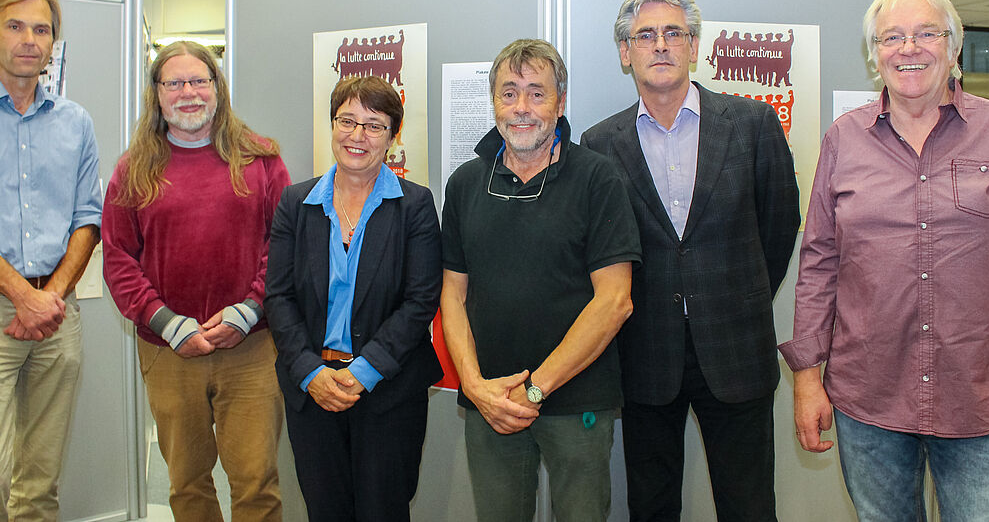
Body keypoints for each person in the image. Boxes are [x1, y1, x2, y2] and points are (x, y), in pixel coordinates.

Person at [581, 0, 800, 522]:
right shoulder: (600, 144)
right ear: (625, 51)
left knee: (749, 508)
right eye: (644, 36)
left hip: (736, 349)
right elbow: (603, 250)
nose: (660, 45)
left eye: (673, 33)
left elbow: (779, 227)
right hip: (645, 354)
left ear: (694, 46)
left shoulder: (753, 125)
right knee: (652, 508)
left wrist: (739, 296)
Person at [780, 0, 989, 521]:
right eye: (892, 37)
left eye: (926, 33)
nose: (909, 48)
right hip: (869, 399)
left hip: (979, 399)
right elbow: (819, 263)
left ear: (954, 46)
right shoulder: (843, 139)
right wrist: (807, 378)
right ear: (875, 54)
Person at [440, 38, 641, 522]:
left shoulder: (598, 178)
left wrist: (535, 390)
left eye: (537, 93)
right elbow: (452, 294)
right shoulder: (465, 183)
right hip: (490, 402)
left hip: (576, 400)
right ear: (494, 102)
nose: (522, 108)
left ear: (560, 102)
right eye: (509, 93)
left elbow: (615, 301)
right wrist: (475, 386)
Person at [101, 41, 289, 522]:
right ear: (157, 94)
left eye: (199, 80)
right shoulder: (132, 170)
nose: (188, 92)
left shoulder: (261, 159)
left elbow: (285, 248)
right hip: (169, 351)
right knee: (187, 484)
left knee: (257, 483)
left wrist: (249, 310)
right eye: (175, 82)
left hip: (251, 346)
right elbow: (119, 260)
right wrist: (167, 323)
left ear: (217, 87)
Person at [265, 75, 442, 521]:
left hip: (388, 392)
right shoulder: (296, 203)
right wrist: (310, 372)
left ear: (393, 136)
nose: (357, 135)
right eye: (347, 121)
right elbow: (278, 297)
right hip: (312, 391)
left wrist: (362, 372)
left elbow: (420, 301)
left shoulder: (415, 206)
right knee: (326, 511)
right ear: (332, 125)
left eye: (374, 125)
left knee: (384, 510)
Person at [0, 0, 101, 521]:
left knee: (40, 480)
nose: (29, 40)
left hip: (58, 314)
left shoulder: (75, 122)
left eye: (41, 30)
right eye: (15, 26)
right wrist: (22, 295)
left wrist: (50, 297)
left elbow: (89, 218)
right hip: (5, 307)